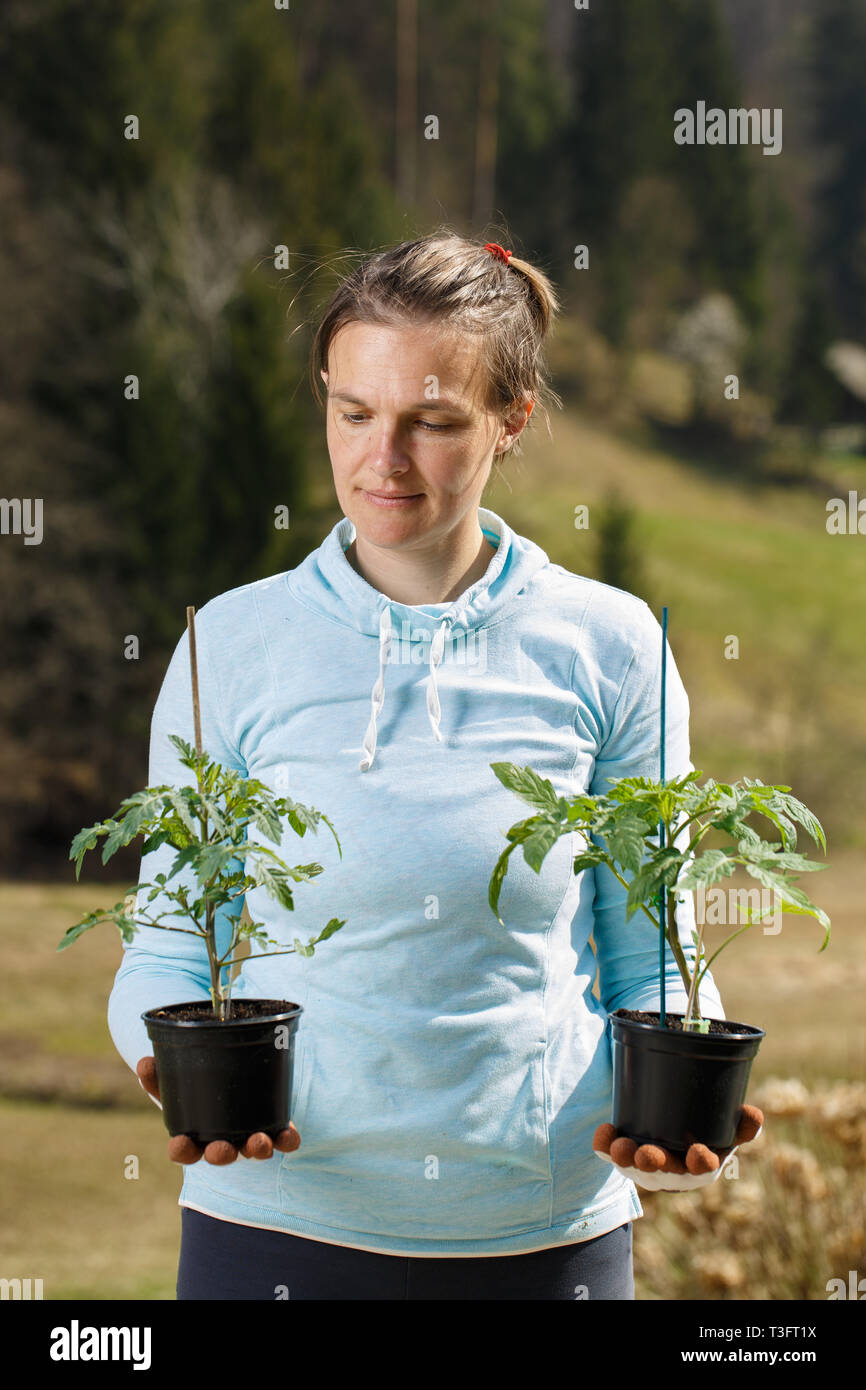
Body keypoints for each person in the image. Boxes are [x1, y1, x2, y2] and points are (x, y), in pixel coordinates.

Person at [108, 230, 759, 1301]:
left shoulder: (612, 644)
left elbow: (652, 947)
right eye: (353, 412)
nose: (383, 460)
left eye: (433, 423)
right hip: (273, 1228)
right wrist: (166, 1068)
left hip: (542, 1238)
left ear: (511, 420)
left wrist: (673, 1106)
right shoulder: (231, 642)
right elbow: (175, 940)